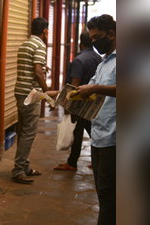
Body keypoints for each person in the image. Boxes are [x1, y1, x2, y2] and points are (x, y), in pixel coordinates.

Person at [47, 14, 116, 225]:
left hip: (115, 139)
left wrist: (94, 87)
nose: (94, 42)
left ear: (112, 34)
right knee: (104, 194)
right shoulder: (104, 64)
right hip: (99, 136)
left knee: (109, 197)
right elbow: (82, 91)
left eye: (97, 37)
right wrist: (52, 94)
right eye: (92, 38)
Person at [53, 30, 102, 171]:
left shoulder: (79, 60)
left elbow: (74, 84)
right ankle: (97, 159)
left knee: (77, 131)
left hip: (79, 103)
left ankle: (72, 162)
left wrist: (66, 104)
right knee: (93, 130)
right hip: (93, 103)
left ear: (80, 43)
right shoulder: (99, 58)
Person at [11, 17, 50, 184]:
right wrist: (48, 93)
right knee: (29, 132)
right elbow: (37, 73)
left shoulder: (25, 44)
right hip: (31, 94)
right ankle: (19, 169)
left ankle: (24, 165)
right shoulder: (39, 45)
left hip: (20, 92)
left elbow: (32, 68)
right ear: (45, 31)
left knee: (23, 130)